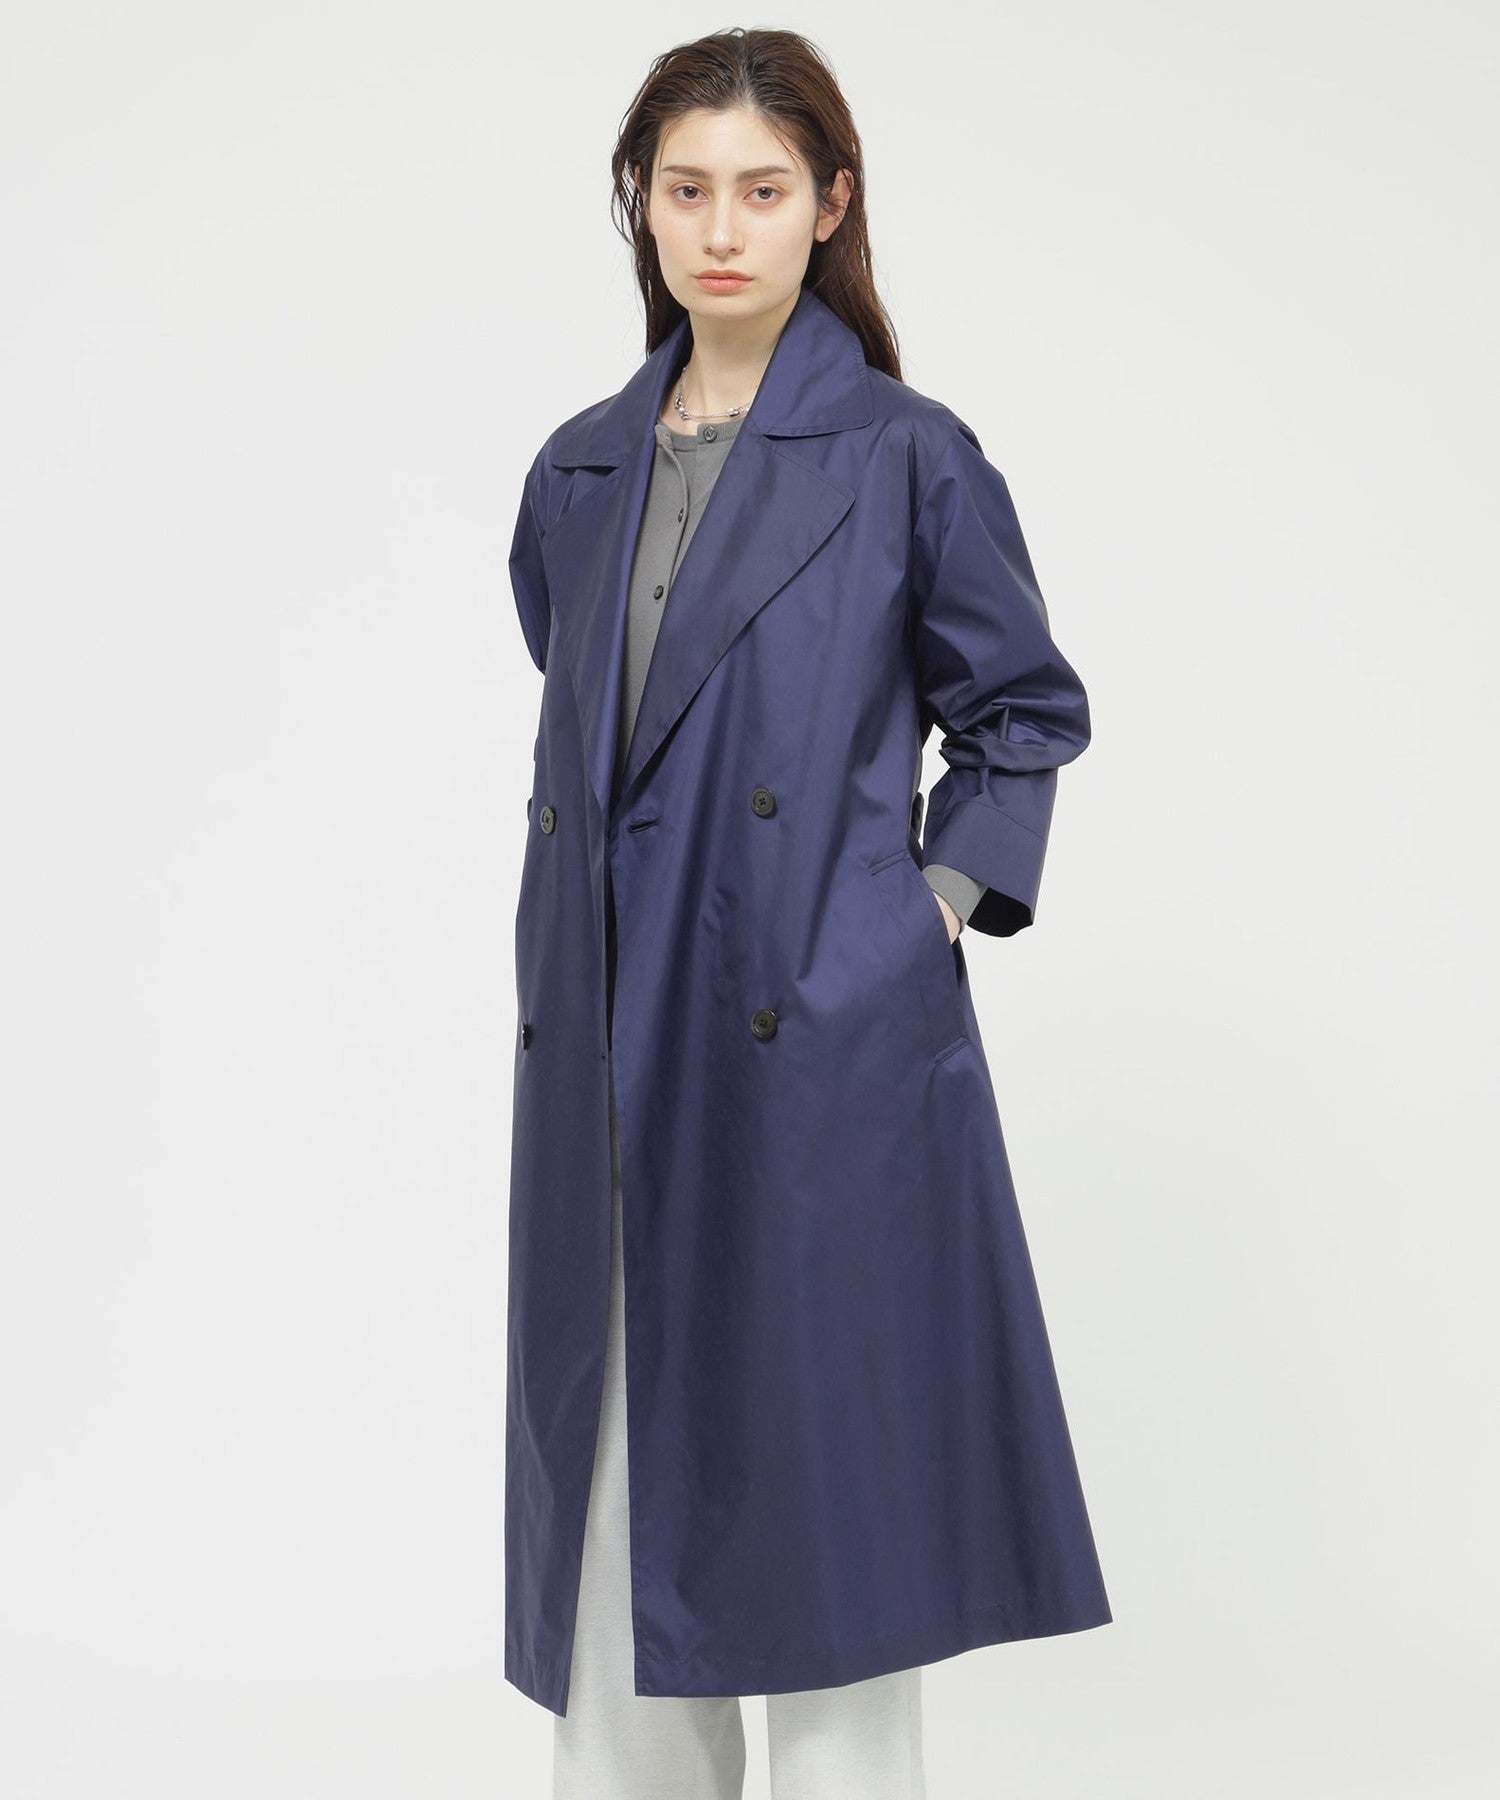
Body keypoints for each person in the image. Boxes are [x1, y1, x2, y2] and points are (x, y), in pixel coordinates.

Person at [506, 28, 1112, 1800]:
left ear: (830, 206)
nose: (722, 229)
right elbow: (619, 734)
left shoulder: (909, 456)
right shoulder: (576, 471)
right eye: (686, 189)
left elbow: (1023, 710)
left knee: (829, 1544)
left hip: (822, 1051)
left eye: (761, 191)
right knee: (614, 1514)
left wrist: (918, 915)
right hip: (608, 1041)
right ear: (640, 205)